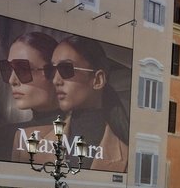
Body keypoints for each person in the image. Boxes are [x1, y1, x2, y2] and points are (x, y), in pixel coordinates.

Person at [49, 35, 129, 171]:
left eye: (66, 69)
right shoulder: (32, 140)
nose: (56, 80)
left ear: (98, 80)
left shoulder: (128, 154)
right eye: (52, 70)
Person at [0, 30, 59, 161]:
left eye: (23, 69)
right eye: (7, 69)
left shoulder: (84, 131)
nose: (12, 80)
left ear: (53, 73)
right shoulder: (6, 135)